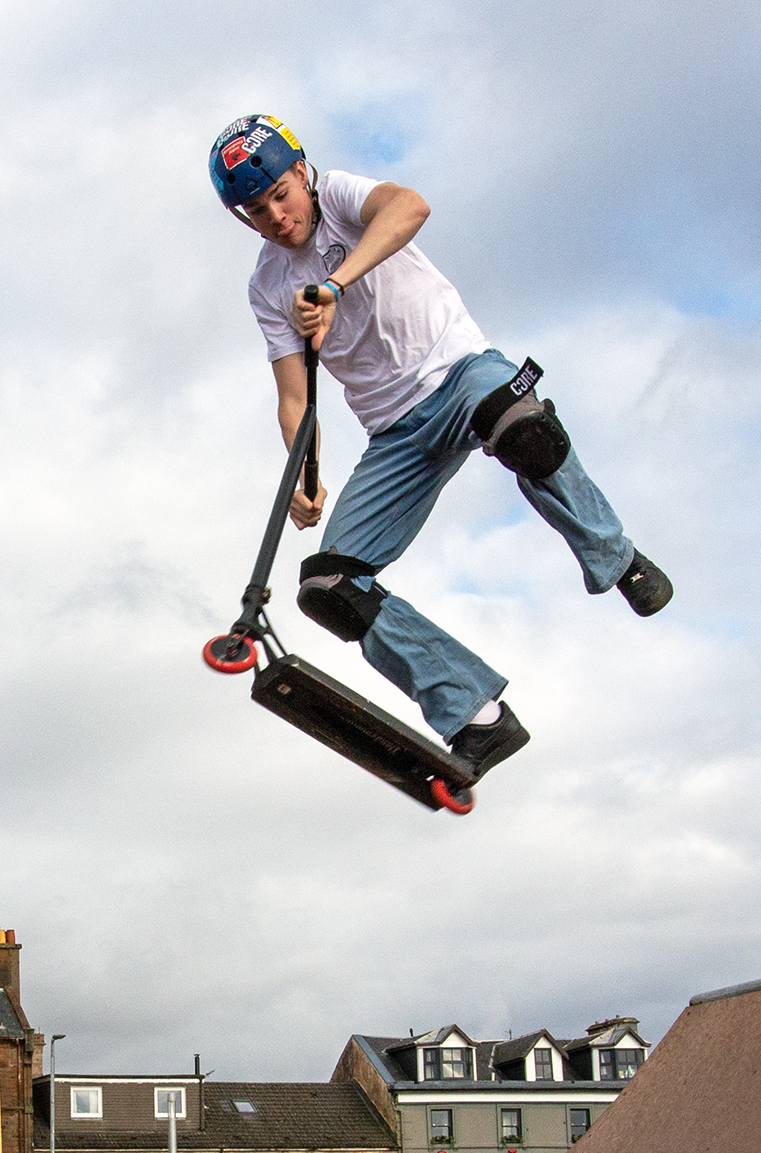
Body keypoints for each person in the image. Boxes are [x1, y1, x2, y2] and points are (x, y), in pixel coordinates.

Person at [208, 115, 672, 776]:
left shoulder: (339, 196)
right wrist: (305, 473)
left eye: (281, 194)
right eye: (256, 211)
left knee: (523, 426)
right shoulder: (267, 287)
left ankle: (614, 555)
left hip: (459, 373)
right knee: (330, 585)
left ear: (302, 173)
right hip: (394, 435)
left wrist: (336, 286)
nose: (276, 216)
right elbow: (294, 398)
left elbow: (409, 207)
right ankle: (477, 717)